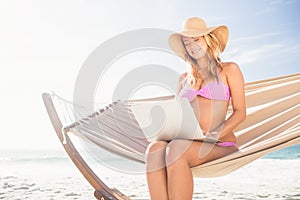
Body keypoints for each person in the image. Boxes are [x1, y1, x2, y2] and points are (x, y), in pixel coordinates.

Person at [145, 17, 246, 200]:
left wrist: (214, 134)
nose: (192, 46)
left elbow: (240, 112)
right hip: (185, 142)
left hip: (218, 144)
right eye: (187, 42)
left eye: (196, 39)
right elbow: (178, 115)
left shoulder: (229, 70)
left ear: (207, 39)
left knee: (175, 150)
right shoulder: (183, 79)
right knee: (154, 149)